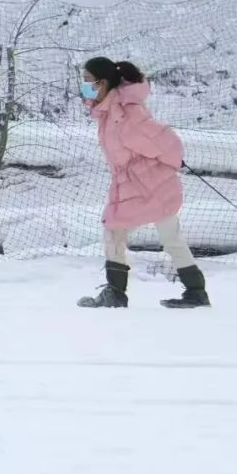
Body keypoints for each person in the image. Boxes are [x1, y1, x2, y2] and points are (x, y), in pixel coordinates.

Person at [76, 56, 210, 309]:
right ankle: (194, 291)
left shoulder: (124, 113)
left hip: (150, 184)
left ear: (102, 83)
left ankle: (118, 292)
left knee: (125, 232)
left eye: (87, 80)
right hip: (134, 184)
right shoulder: (109, 111)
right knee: (134, 233)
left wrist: (173, 160)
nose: (83, 85)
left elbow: (162, 140)